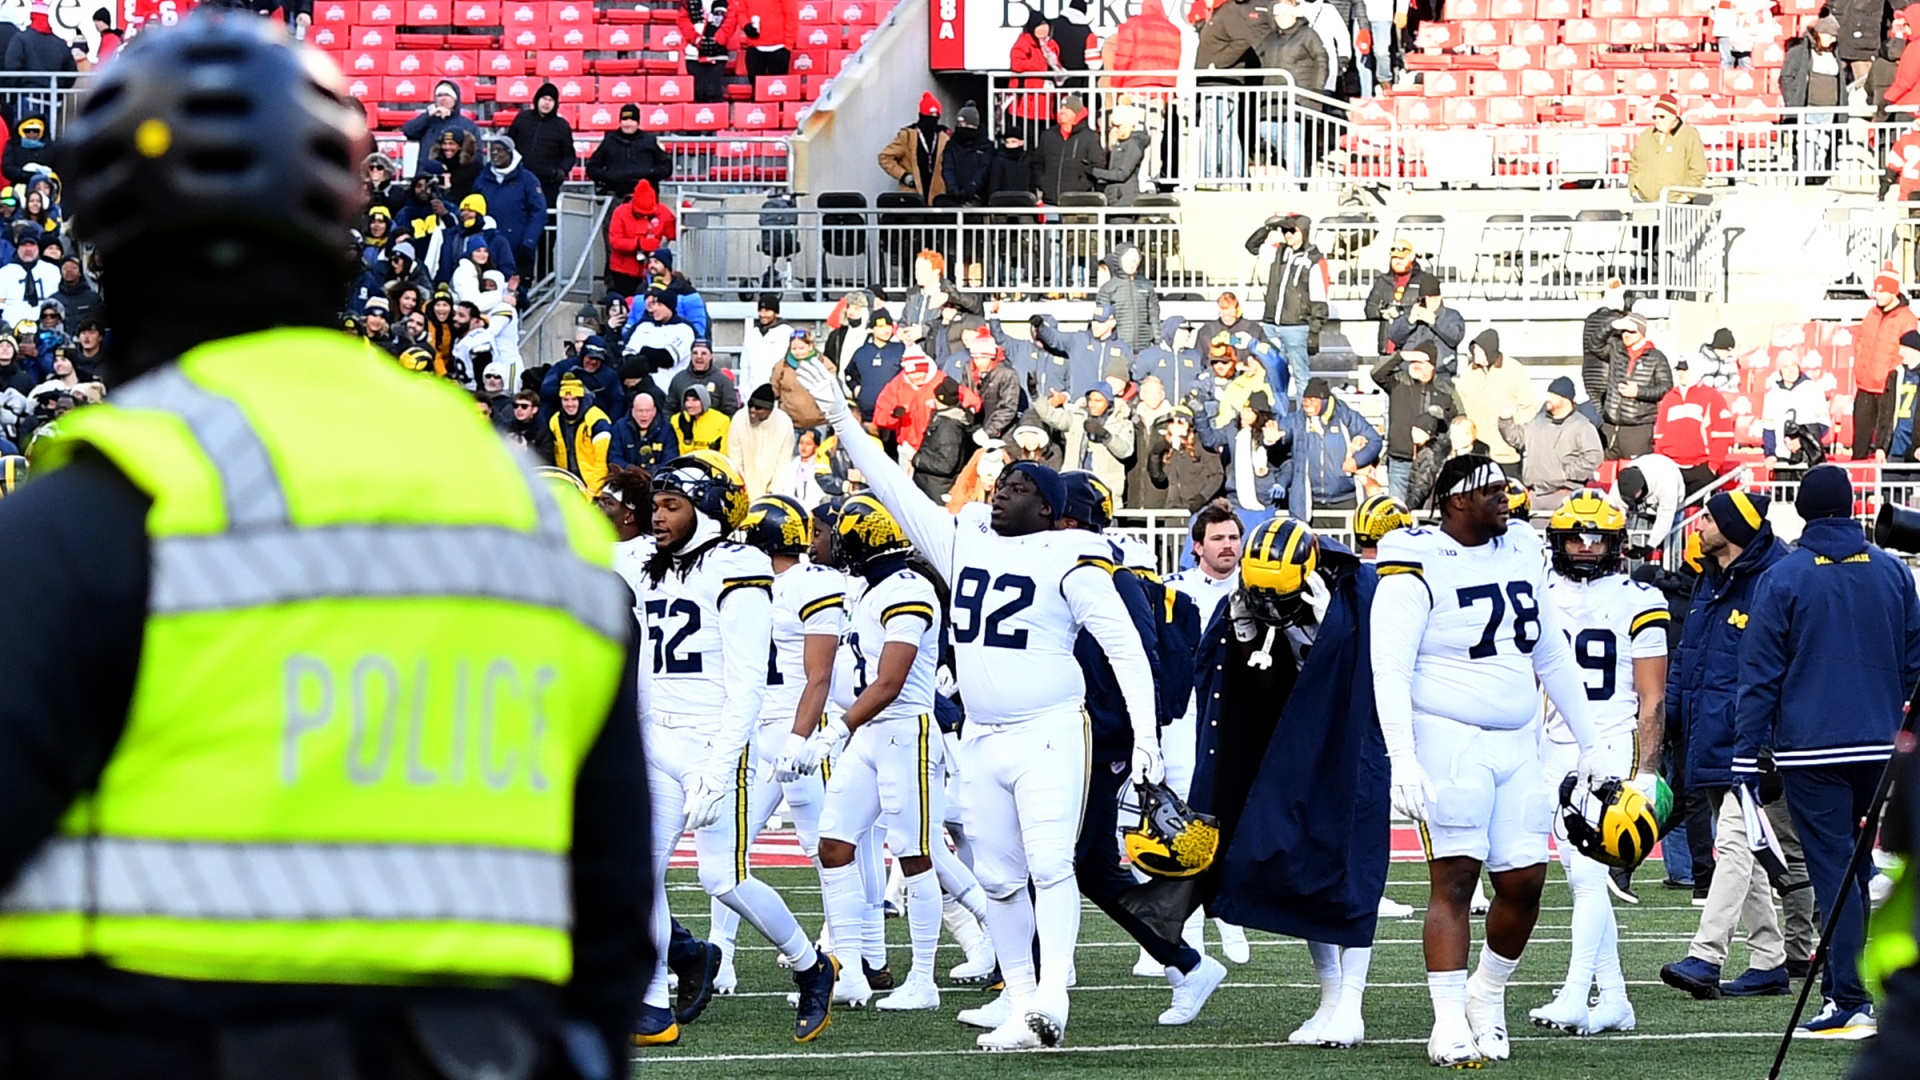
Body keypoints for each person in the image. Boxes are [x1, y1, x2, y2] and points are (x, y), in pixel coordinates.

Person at [0, 15, 652, 1076]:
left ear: (106, 244)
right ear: (346, 225)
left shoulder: (106, 505)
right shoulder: (543, 528)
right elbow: (616, 941)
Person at [794, 357, 1163, 1051]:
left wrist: (1146, 736)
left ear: (1050, 509)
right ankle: (1022, 1002)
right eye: (1003, 479)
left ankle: (1052, 991)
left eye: (1020, 485)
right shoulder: (964, 542)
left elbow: (1122, 647)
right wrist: (842, 419)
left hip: (1051, 727)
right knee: (995, 874)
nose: (1002, 489)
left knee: (1050, 863)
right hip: (985, 736)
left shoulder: (1072, 552)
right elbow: (893, 489)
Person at [1371, 454, 1611, 1066]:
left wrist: (1591, 741)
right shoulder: (1413, 555)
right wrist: (1402, 757)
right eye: (1493, 491)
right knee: (1454, 879)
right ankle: (1448, 1019)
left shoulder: (1523, 547)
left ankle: (1487, 994)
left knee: (1525, 879)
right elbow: (1390, 667)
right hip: (1447, 734)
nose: (1508, 499)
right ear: (1455, 500)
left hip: (1517, 737)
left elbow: (1550, 651)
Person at [633, 453, 838, 1042]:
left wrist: (717, 769)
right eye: (656, 506)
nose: (659, 517)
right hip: (659, 735)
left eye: (672, 505)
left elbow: (748, 682)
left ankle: (810, 964)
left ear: (711, 508)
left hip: (713, 740)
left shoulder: (737, 563)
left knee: (722, 878)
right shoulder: (656, 565)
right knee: (640, 872)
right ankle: (652, 1002)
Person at [1734, 466, 1920, 1039]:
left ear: (1805, 512)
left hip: (1811, 747)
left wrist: (1745, 752)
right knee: (1854, 868)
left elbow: (1761, 670)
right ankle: (1861, 982)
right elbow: (1914, 663)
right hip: (1882, 743)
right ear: (1852, 506)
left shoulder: (1785, 575)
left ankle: (1848, 997)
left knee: (1833, 871)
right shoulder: (1892, 570)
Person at [1192, 516, 1389, 1048]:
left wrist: (1333, 635)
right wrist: (1247, 637)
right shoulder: (1251, 592)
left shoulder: (1358, 591)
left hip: (1353, 742)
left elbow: (1370, 674)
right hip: (1293, 744)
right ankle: (1330, 996)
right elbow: (1240, 683)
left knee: (1349, 870)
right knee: (1302, 869)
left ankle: (1352, 1002)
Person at [1050, 472, 1231, 1026]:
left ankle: (1033, 985)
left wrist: (1118, 734)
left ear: (1066, 516)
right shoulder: (1083, 563)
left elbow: (1133, 663)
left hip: (1096, 738)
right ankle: (1182, 963)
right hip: (1079, 734)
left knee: (1066, 863)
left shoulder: (1106, 573)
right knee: (1082, 866)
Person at [811, 495, 993, 1010]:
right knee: (833, 842)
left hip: (903, 732)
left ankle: (923, 980)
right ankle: (848, 970)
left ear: (866, 536)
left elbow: (890, 681)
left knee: (916, 854)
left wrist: (837, 728)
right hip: (872, 734)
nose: (835, 542)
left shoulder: (907, 590)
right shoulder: (868, 589)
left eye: (843, 532)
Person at [1658, 489, 1817, 1004]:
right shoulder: (1712, 577)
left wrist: (1766, 742)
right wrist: (1674, 719)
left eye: (1709, 518)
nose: (1700, 525)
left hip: (1752, 742)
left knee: (1733, 843)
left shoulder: (1773, 581)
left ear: (1735, 529)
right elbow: (1688, 658)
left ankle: (1707, 955)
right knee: (1744, 849)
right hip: (1710, 732)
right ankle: (1770, 959)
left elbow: (1781, 669)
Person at [1527, 491, 1669, 1036]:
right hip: (1552, 743)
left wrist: (1648, 768)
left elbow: (1652, 696)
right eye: (1574, 538)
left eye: (1596, 538)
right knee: (1576, 874)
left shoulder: (1640, 598)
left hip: (1611, 742)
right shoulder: (1540, 590)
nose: (1585, 548)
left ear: (1617, 544)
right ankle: (1613, 999)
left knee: (1587, 877)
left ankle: (1574, 991)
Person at [1273, 377, 1381, 523]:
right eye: (1305, 400)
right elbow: (1281, 433)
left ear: (1323, 401)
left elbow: (1374, 440)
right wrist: (1271, 439)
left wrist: (1357, 461)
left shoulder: (1345, 416)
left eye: (1312, 400)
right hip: (1309, 502)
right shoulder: (1297, 420)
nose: (1307, 404)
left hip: (1346, 500)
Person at [1244, 213, 1327, 394]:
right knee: (1272, 376)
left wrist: (1314, 332)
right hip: (1271, 325)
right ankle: (1276, 418)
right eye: (1284, 230)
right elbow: (1252, 246)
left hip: (1297, 327)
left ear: (1303, 231)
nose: (1287, 234)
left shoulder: (1314, 260)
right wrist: (1268, 228)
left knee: (1301, 377)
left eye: (1292, 230)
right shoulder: (1279, 250)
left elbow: (1320, 299)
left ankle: (1301, 419)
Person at [1496, 376, 1602, 516]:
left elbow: (1594, 457)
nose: (1548, 398)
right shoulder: (1538, 421)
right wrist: (1505, 421)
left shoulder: (1582, 426)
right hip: (1535, 495)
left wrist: (1566, 473)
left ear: (1564, 399)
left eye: (1553, 395)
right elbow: (1517, 438)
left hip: (1564, 495)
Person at [1371, 341, 1458, 505]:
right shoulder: (1398, 381)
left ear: (1432, 366)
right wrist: (1402, 355)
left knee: (1426, 516)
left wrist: (1438, 419)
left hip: (1431, 463)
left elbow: (1458, 419)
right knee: (1398, 513)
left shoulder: (1445, 389)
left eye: (1421, 361)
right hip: (1399, 462)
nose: (1415, 365)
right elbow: (1376, 373)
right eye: (1413, 361)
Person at [1035, 381, 1137, 503]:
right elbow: (1051, 416)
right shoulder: (1077, 418)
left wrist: (1106, 436)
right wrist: (1036, 396)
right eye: (1091, 400)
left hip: (1106, 493)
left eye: (1098, 401)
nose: (1093, 404)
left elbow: (1126, 451)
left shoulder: (1122, 423)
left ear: (1109, 403)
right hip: (1074, 489)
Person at [1454, 330, 1533, 479]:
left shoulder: (1514, 370)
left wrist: (1513, 428)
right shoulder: (1469, 372)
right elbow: (1459, 404)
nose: (1475, 353)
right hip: (1475, 450)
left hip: (1505, 452)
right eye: (1474, 349)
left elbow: (1528, 407)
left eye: (1478, 350)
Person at [1855, 265, 1914, 461]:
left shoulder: (1907, 318)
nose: (1877, 295)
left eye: (1882, 291)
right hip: (1864, 385)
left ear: (1894, 291)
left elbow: (1906, 352)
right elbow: (1861, 343)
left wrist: (1891, 375)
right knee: (1860, 440)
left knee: (1884, 440)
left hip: (1887, 386)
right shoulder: (1871, 314)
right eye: (1876, 291)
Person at [472, 134, 547, 285]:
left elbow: (538, 212)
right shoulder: (482, 178)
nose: (495, 154)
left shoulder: (527, 179)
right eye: (492, 150)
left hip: (518, 246)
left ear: (510, 153)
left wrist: (529, 242)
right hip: (487, 246)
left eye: (500, 150)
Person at [1653, 358, 1735, 494]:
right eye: (1679, 370)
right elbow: (1659, 435)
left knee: (1699, 512)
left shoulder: (1713, 397)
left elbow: (1723, 435)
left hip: (1701, 468)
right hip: (1671, 468)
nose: (1681, 373)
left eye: (1685, 370)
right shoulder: (1668, 398)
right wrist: (1661, 463)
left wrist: (1713, 466)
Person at [1600, 313, 1673, 460]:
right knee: (1603, 475)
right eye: (1624, 331)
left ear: (1641, 332)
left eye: (1631, 331)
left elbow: (1666, 387)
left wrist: (1639, 392)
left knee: (1635, 475)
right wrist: (1613, 325)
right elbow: (1594, 344)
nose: (1626, 335)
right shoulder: (1616, 350)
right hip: (1610, 425)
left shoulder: (1655, 357)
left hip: (1638, 427)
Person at [504, 81, 578, 209]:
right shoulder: (522, 118)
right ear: (537, 99)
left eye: (551, 100)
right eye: (544, 98)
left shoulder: (562, 126)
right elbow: (509, 145)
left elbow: (569, 156)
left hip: (547, 183)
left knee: (546, 218)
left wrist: (560, 172)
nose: (546, 102)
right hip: (519, 179)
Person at [1628, 95, 1708, 203]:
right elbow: (1634, 164)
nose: (1657, 121)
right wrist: (1633, 189)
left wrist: (1688, 196)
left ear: (1673, 117)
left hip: (1676, 203)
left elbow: (1698, 168)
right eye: (1654, 117)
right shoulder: (1646, 135)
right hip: (1644, 201)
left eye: (1662, 117)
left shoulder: (1689, 135)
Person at [606, 179, 677, 299]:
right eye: (640, 214)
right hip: (623, 269)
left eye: (648, 215)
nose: (645, 217)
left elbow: (674, 233)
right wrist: (639, 243)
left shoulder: (663, 212)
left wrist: (684, 216)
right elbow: (615, 241)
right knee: (628, 303)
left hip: (652, 269)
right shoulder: (620, 212)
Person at [586, 103, 675, 197]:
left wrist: (648, 175)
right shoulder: (609, 140)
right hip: (616, 194)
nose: (628, 124)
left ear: (638, 122)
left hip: (645, 195)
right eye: (625, 120)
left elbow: (666, 167)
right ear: (620, 121)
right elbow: (592, 168)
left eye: (632, 120)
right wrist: (610, 176)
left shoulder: (650, 140)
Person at [1385, 275, 1466, 375]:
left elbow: (1455, 338)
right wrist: (1410, 321)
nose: (1431, 302)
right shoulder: (1410, 314)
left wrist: (1435, 322)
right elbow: (1394, 338)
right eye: (1426, 298)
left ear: (1440, 297)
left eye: (1434, 298)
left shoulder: (1451, 316)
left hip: (1440, 373)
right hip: (1410, 373)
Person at [726, 383, 795, 500]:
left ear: (769, 410)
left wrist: (774, 492)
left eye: (758, 408)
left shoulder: (784, 423)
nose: (752, 410)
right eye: (750, 405)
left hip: (771, 493)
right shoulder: (739, 419)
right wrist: (740, 488)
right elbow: (735, 459)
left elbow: (784, 462)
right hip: (743, 491)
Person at [1007, 12, 1067, 145]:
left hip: (1046, 102)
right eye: (1040, 26)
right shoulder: (1024, 42)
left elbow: (1056, 66)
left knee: (1043, 139)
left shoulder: (1052, 45)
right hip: (1026, 103)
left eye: (1046, 26)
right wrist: (1041, 65)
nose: (1043, 29)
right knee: (1028, 138)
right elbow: (1016, 64)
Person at [1363, 239, 1430, 357]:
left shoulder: (1425, 280)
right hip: (1387, 349)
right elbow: (1369, 307)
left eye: (1402, 258)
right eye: (1395, 258)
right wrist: (1382, 313)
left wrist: (1401, 311)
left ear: (1412, 257)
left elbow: (1429, 308)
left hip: (1413, 347)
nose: (1398, 261)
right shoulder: (1382, 281)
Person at [1759, 351, 1831, 462]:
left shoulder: (1814, 389)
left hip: (1809, 457)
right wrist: (1770, 454)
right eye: (1785, 366)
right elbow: (1769, 428)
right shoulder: (1772, 395)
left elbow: (1823, 424)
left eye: (1794, 365)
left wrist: (1802, 441)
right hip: (1782, 459)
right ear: (1780, 371)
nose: (1790, 370)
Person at [879, 93, 950, 203]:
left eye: (936, 116)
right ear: (922, 115)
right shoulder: (907, 136)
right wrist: (903, 176)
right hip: (913, 195)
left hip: (938, 197)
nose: (932, 119)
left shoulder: (944, 138)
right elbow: (885, 157)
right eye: (929, 115)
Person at [1096, 243, 1161, 352]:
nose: (1132, 264)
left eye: (1135, 260)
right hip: (1117, 347)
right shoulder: (1108, 289)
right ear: (1119, 261)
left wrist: (1158, 342)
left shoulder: (1146, 285)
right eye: (1128, 260)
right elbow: (1101, 320)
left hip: (1144, 348)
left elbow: (1154, 316)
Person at [1089, 104, 1150, 207]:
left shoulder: (1133, 145)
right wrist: (1111, 146)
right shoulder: (1121, 143)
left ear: (1127, 124)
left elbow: (1122, 174)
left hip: (1123, 197)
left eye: (1117, 126)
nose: (1114, 129)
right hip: (1115, 195)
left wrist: (1094, 172)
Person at [400, 78, 481, 152]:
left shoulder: (468, 125)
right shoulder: (427, 121)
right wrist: (428, 114)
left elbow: (476, 154)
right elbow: (409, 131)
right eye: (439, 95)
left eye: (447, 95)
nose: (443, 98)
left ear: (455, 99)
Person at [668, 339, 741, 419]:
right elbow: (669, 409)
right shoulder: (678, 379)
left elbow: (730, 411)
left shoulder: (723, 381)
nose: (699, 357)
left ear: (711, 356)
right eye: (695, 353)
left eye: (703, 353)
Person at [941, 101, 994, 206]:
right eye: (960, 124)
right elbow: (947, 168)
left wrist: (972, 188)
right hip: (954, 198)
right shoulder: (951, 145)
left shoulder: (985, 146)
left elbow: (984, 170)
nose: (963, 127)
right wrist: (952, 188)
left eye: (967, 124)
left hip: (979, 199)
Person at [610, 387, 677, 470]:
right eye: (640, 411)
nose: (644, 415)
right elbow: (614, 458)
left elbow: (670, 460)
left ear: (654, 411)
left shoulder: (666, 429)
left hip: (656, 479)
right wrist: (632, 470)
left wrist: (649, 472)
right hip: (627, 478)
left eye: (648, 411)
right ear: (633, 411)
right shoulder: (620, 428)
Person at [741, 294, 792, 396]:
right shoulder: (752, 334)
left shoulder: (787, 333)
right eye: (761, 310)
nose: (763, 314)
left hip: (777, 393)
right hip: (753, 393)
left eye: (767, 311)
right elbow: (745, 365)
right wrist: (744, 390)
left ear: (776, 313)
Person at [674, 384, 729, 454]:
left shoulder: (722, 420)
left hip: (711, 462)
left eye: (694, 400)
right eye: (687, 400)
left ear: (704, 401)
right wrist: (687, 439)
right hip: (685, 462)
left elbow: (724, 453)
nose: (689, 405)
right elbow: (676, 454)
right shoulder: (677, 420)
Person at [1693, 326, 1740, 390]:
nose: (1729, 353)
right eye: (1728, 350)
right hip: (1705, 395)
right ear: (1720, 347)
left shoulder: (1730, 362)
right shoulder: (1702, 359)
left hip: (1724, 395)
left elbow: (1735, 380)